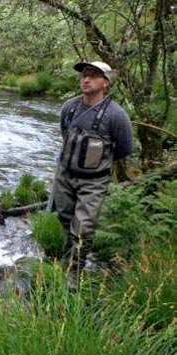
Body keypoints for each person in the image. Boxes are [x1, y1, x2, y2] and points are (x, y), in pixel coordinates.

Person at [51, 61, 133, 288]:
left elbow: (124, 149)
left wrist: (97, 165)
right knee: (65, 219)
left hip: (94, 181)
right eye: (84, 75)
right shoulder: (69, 107)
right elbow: (64, 134)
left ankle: (74, 272)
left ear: (105, 82)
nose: (85, 79)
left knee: (84, 228)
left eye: (93, 76)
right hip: (65, 176)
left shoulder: (117, 116)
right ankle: (68, 258)